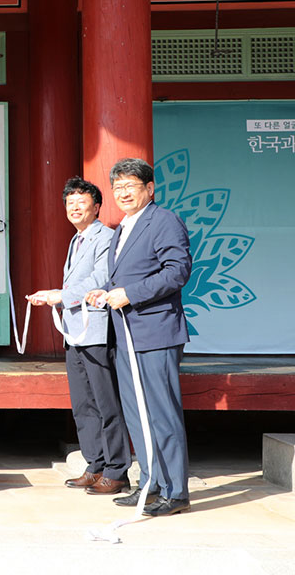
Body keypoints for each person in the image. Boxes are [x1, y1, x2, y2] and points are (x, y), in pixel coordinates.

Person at [86, 158, 192, 517]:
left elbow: (177, 271)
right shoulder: (123, 227)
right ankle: (151, 484)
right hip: (127, 334)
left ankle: (175, 492)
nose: (123, 193)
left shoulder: (163, 221)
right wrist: (103, 291)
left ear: (150, 188)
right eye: (117, 188)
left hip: (155, 332)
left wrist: (131, 293)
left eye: (131, 185)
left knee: (161, 414)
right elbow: (124, 276)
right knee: (138, 416)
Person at [30, 177, 130, 496]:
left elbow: (100, 278)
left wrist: (59, 295)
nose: (74, 207)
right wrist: (55, 294)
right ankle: (95, 464)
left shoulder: (107, 237)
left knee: (106, 402)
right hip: (75, 333)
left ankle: (116, 470)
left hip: (97, 331)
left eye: (81, 201)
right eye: (69, 202)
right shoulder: (77, 239)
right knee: (83, 405)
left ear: (97, 207)